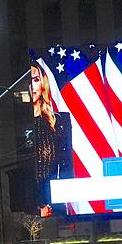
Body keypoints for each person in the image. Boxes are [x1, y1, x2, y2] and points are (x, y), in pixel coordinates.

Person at [31, 61, 73, 213]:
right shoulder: (23, 122)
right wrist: (38, 205)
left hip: (55, 196)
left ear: (43, 83)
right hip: (30, 200)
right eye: (29, 81)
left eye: (36, 80)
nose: (32, 86)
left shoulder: (59, 121)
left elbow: (67, 164)